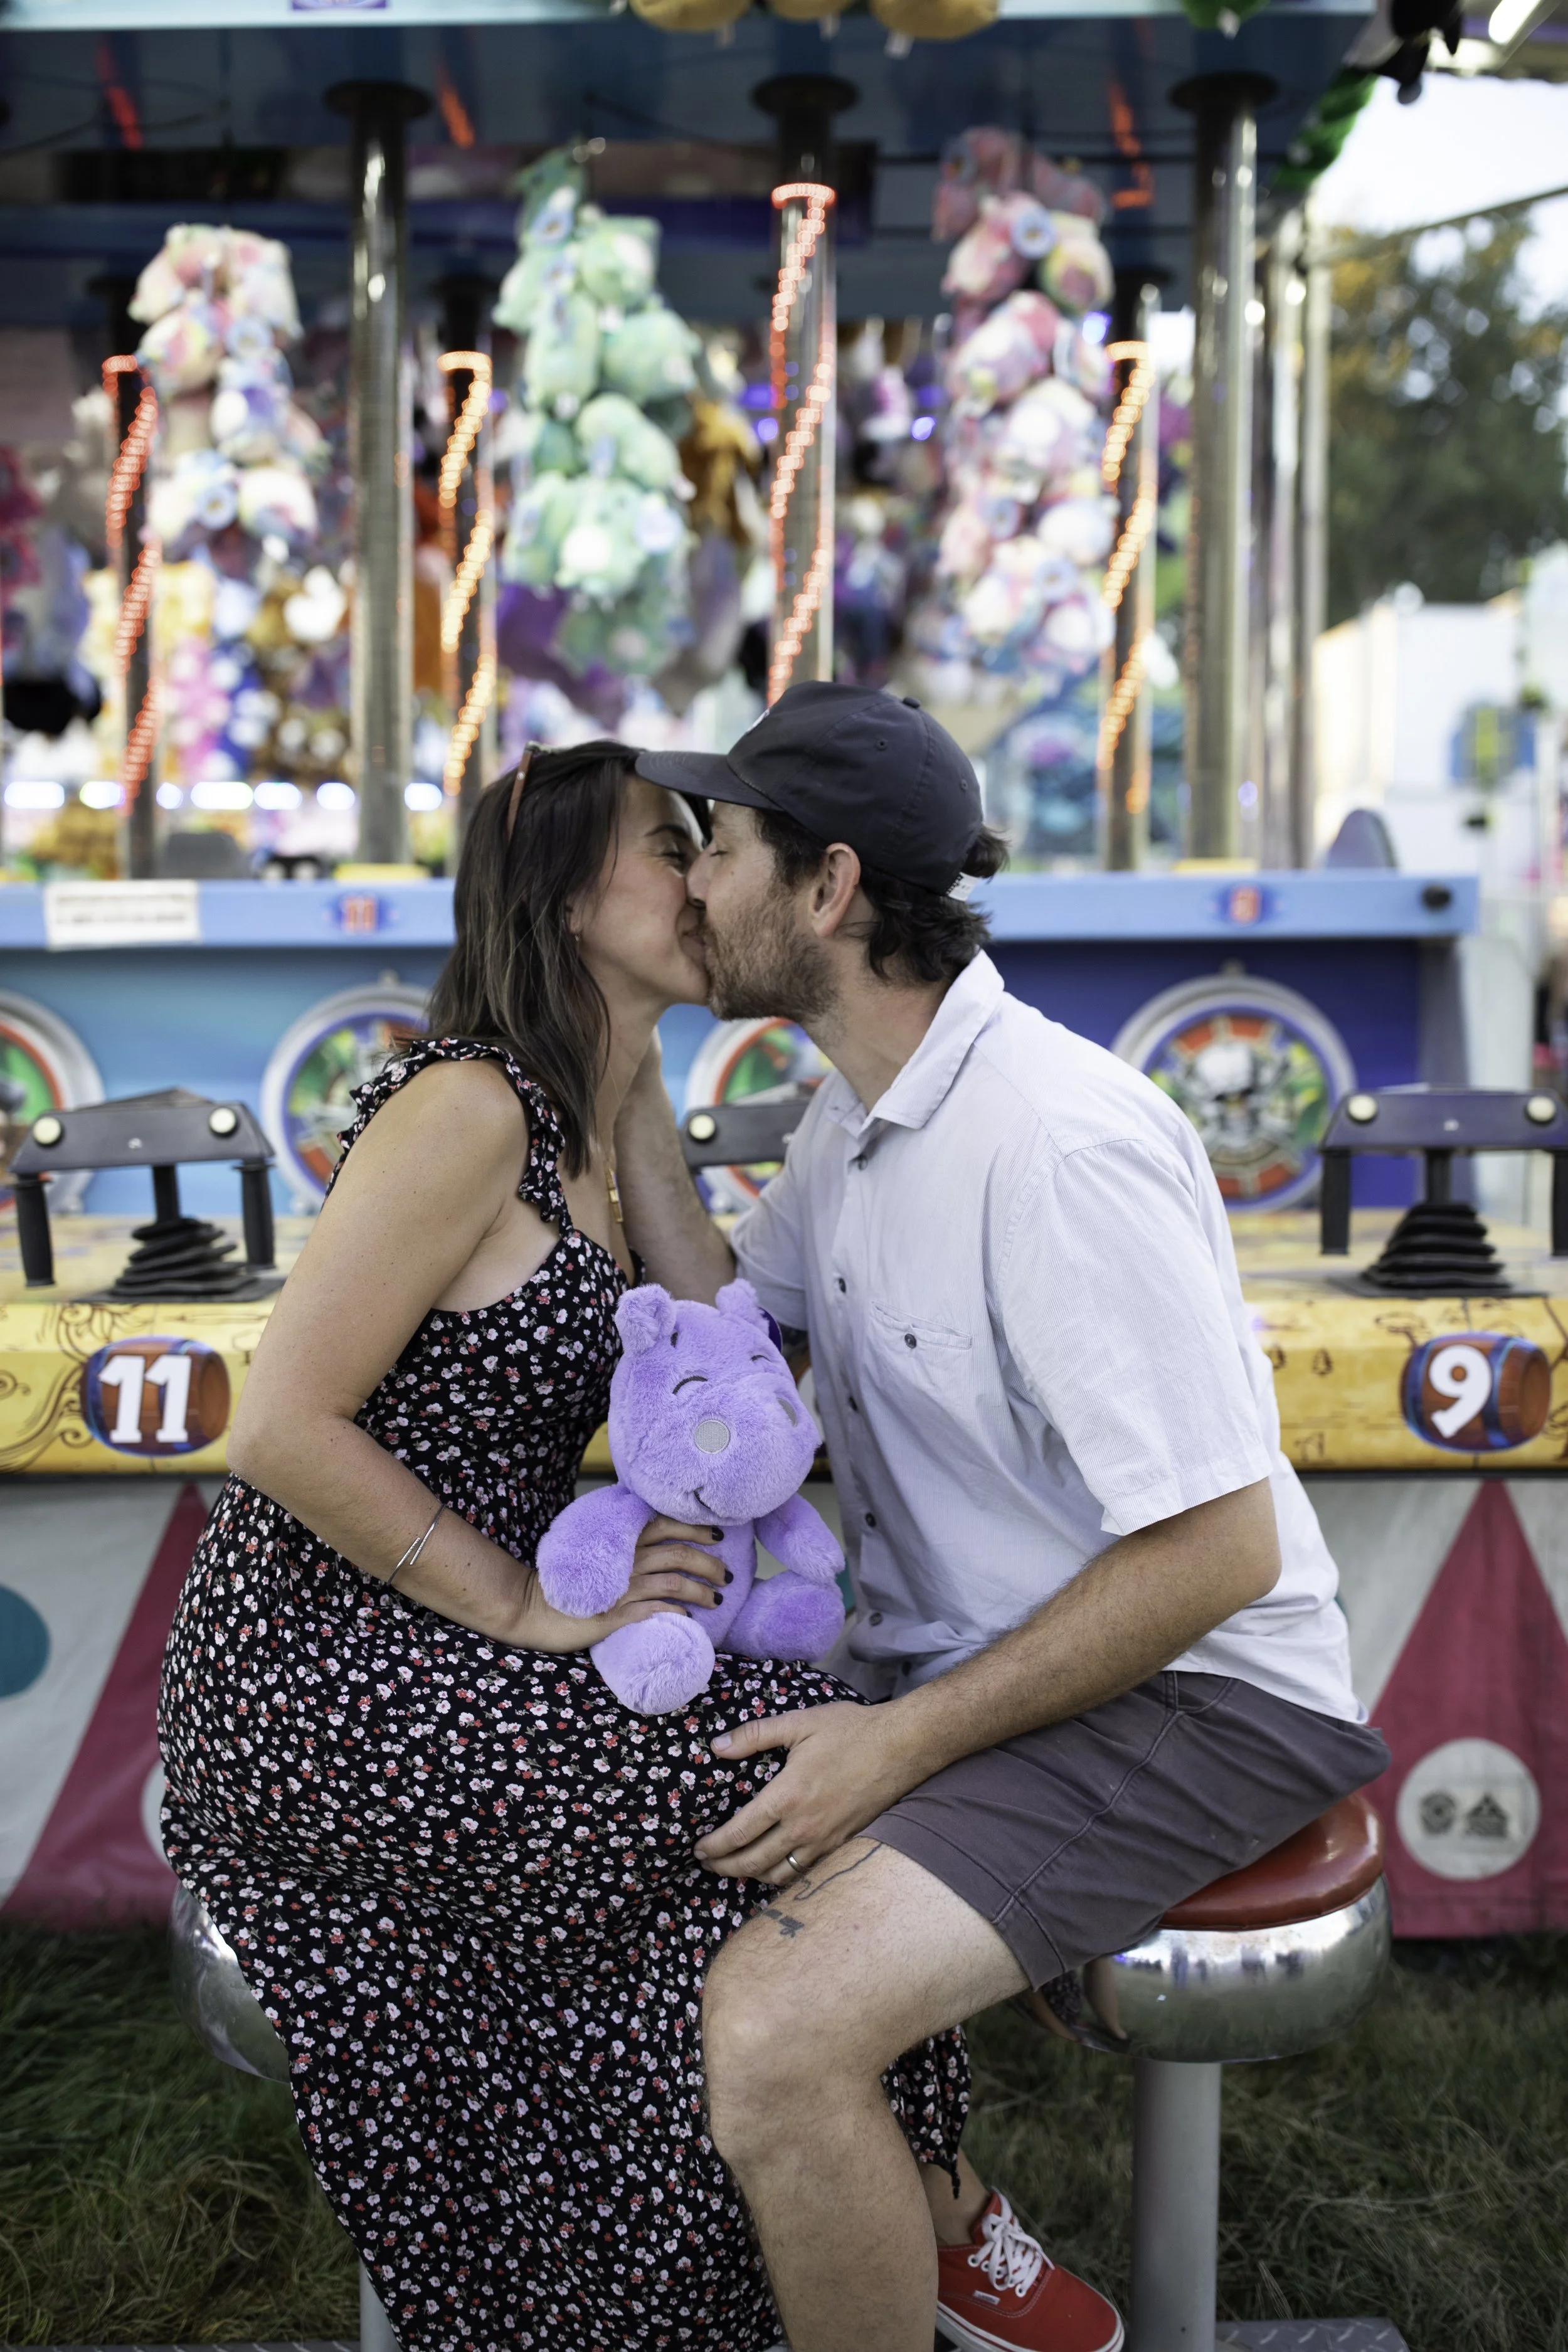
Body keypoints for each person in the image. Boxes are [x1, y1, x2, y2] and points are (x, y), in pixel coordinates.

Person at [157, 741, 967, 2352]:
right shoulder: (461, 1108)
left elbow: (727, 1341)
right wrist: (521, 1603)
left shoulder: (589, 1112)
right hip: (324, 1672)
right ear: (560, 893)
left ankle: (832, 2231)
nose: (707, 875)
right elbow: (280, 1429)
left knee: (819, 1799)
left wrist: (639, 1077)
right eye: (670, 849)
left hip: (455, 1651)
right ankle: (902, 2226)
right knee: (795, 1809)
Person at [625, 683, 1392, 2352]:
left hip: (1199, 1697)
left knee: (768, 2029)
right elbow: (726, 1348)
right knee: (640, 1850)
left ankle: (931, 2244)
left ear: (825, 890)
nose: (691, 884)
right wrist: (620, 1069)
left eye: (721, 848)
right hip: (1017, 1667)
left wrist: (895, 1747)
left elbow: (1219, 1553)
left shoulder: (1050, 1141)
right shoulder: (859, 1108)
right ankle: (960, 2243)